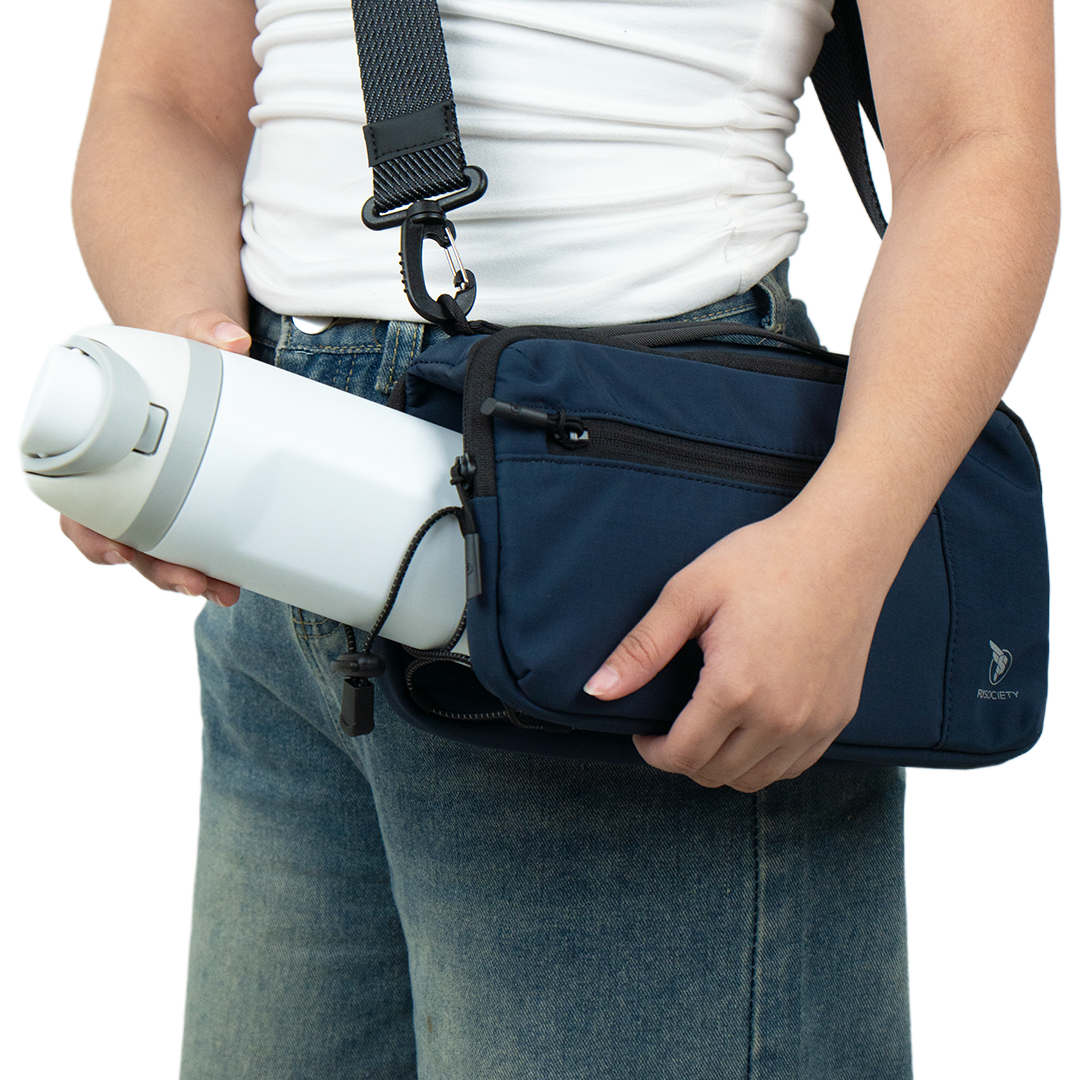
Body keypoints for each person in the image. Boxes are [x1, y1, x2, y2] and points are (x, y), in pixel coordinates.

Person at [61, 0, 1058, 1076]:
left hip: (637, 515)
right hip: (281, 487)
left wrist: (843, 544)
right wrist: (183, 387)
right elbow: (163, 100)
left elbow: (978, 141)